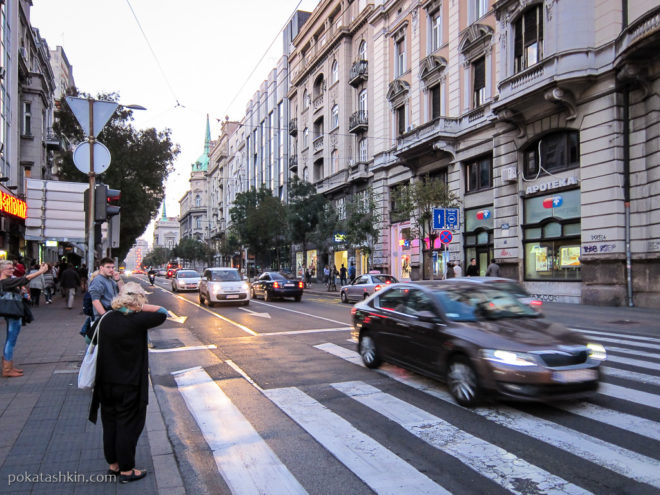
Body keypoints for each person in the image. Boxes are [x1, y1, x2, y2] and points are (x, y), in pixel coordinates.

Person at [88, 282, 168, 483]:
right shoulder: (137, 320)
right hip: (129, 383)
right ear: (138, 302)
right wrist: (138, 308)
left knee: (110, 423)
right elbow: (162, 312)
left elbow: (91, 337)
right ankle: (126, 470)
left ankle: (113, 464)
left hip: (105, 382)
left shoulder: (105, 319)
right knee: (127, 425)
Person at [1, 260, 48, 377]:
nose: (12, 270)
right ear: (2, 270)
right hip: (13, 313)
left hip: (13, 313)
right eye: (9, 268)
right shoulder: (5, 281)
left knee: (10, 340)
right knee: (11, 340)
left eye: (12, 268)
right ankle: (7, 369)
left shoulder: (7, 281)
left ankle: (9, 366)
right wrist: (40, 271)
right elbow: (25, 279)